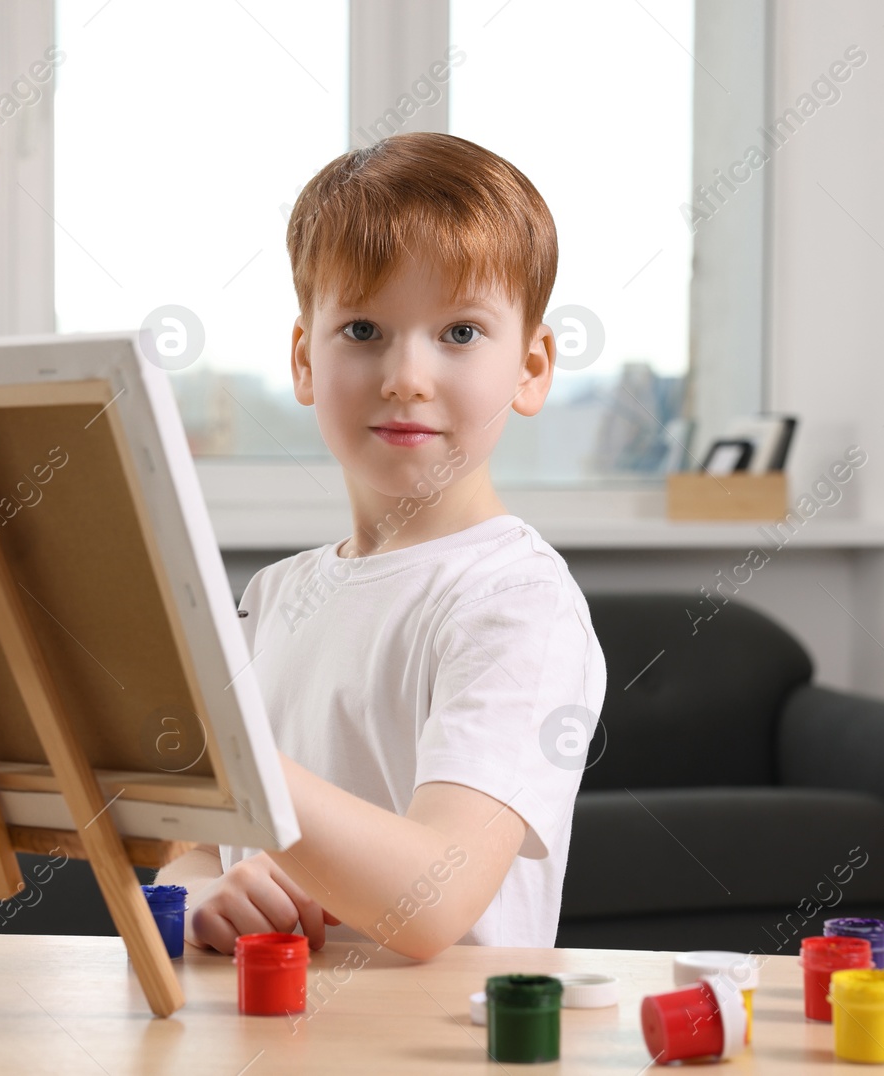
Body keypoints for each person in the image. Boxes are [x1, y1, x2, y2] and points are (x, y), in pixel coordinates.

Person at [155, 132, 606, 959]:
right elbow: (193, 848)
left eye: (461, 333)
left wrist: (233, 754)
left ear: (532, 368)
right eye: (363, 329)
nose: (405, 374)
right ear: (304, 360)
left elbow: (430, 899)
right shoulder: (277, 594)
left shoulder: (518, 605)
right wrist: (207, 891)